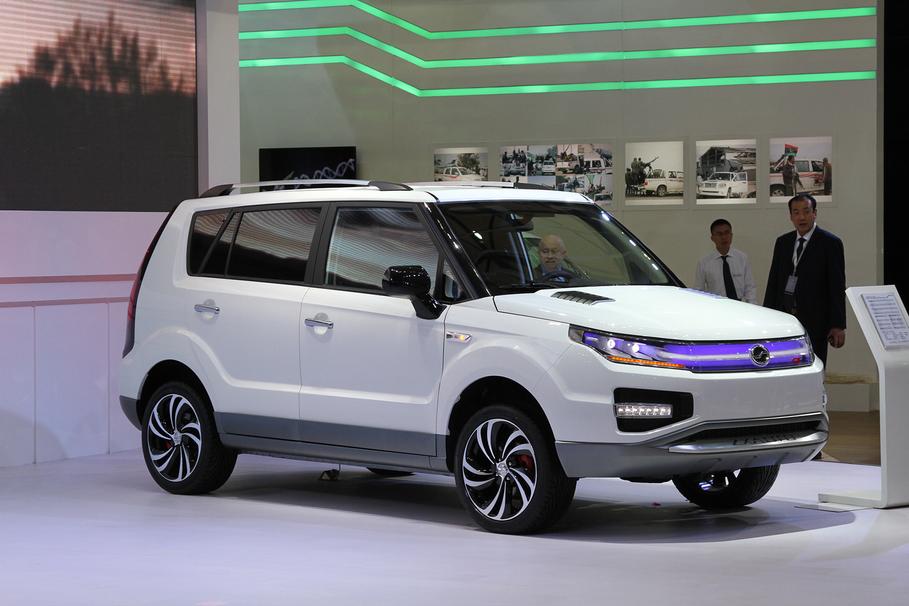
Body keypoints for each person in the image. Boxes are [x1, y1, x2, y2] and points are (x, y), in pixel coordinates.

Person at [764, 193, 845, 365]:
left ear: (815, 213)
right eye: (796, 212)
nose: (801, 217)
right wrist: (767, 317)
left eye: (806, 211)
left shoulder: (830, 243)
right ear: (791, 216)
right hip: (784, 319)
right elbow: (773, 282)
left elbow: (837, 286)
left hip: (816, 321)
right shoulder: (783, 242)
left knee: (814, 367)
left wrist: (837, 325)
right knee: (784, 366)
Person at [694, 219, 757, 303]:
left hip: (740, 305)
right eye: (719, 234)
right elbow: (698, 291)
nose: (724, 237)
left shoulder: (742, 258)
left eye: (727, 233)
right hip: (717, 306)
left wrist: (751, 306)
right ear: (712, 238)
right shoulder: (704, 263)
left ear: (731, 235)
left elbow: (750, 287)